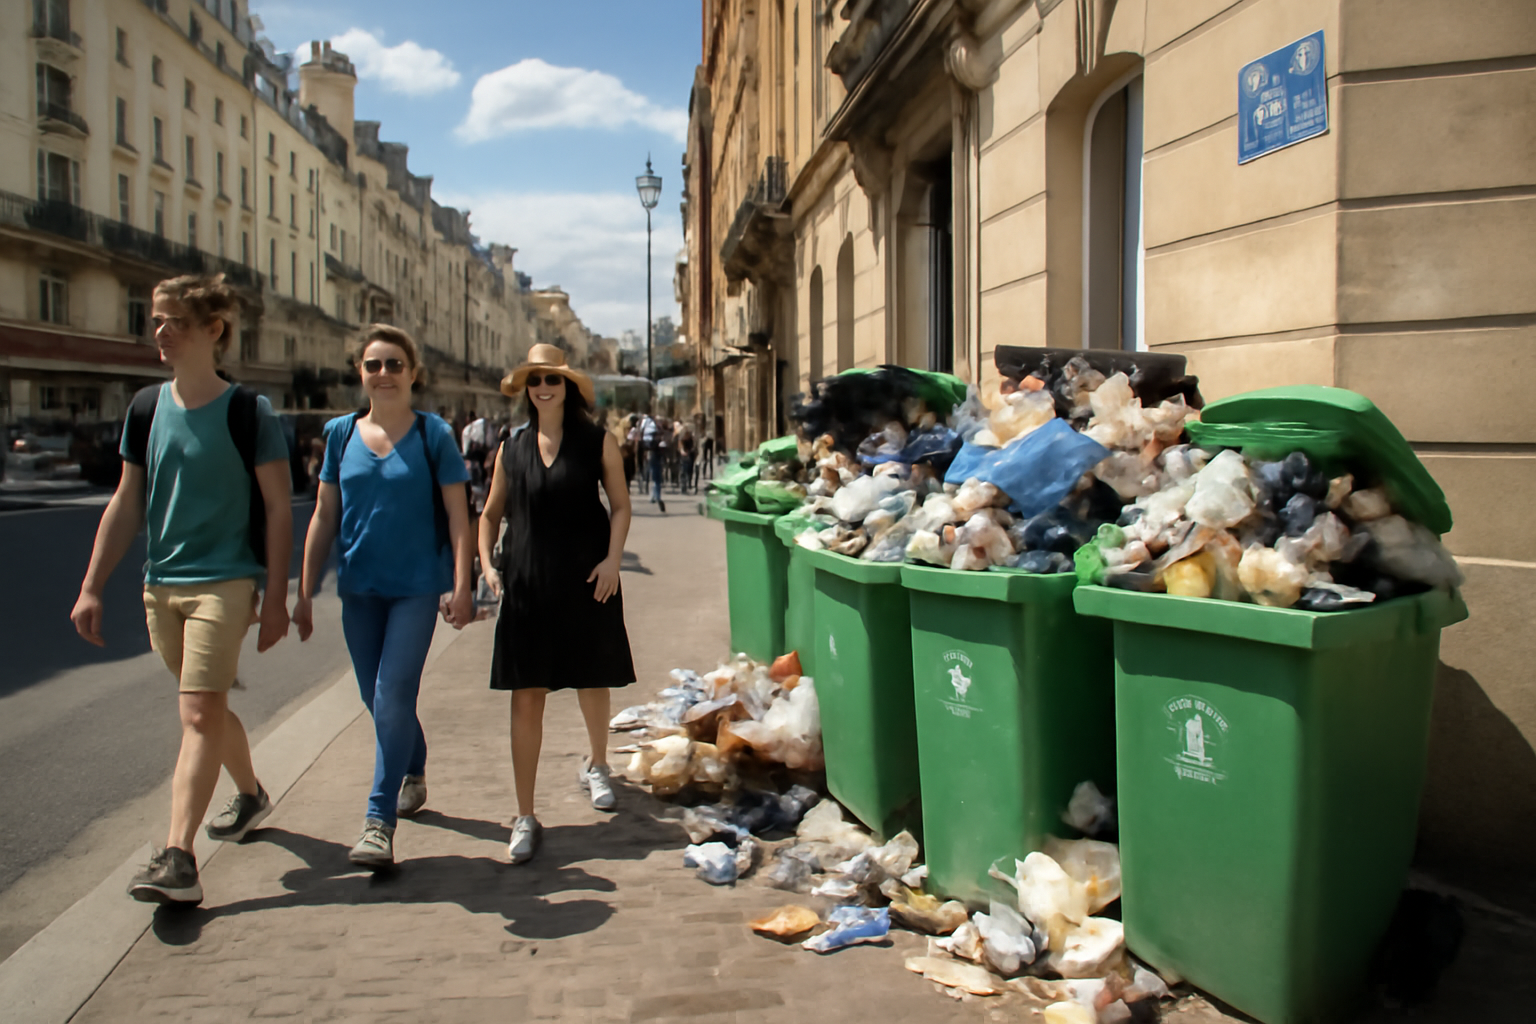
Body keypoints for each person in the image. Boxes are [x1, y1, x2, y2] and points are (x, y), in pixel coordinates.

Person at [70, 274, 292, 905]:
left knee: (196, 714)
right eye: (156, 320)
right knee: (209, 710)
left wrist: (274, 597)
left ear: (213, 330)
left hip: (224, 583)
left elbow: (279, 509)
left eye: (175, 321)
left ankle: (178, 859)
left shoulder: (251, 412)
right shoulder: (146, 408)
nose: (160, 332)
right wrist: (92, 586)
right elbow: (126, 500)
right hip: (159, 584)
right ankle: (250, 794)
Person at [293, 325, 475, 871]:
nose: (384, 374)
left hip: (416, 590)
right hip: (359, 589)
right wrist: (304, 591)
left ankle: (379, 823)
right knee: (376, 702)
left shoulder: (433, 434)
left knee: (392, 697)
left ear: (413, 372)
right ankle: (413, 767)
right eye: (373, 365)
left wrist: (463, 584)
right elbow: (324, 515)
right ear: (360, 372)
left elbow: (458, 517)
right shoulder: (339, 434)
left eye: (395, 364)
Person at [479, 344, 635, 864]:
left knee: (592, 678)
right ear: (526, 388)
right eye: (535, 379)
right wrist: (485, 565)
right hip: (526, 586)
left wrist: (614, 559)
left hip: (589, 578)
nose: (543, 386)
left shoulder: (597, 441)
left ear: (568, 387)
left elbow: (620, 505)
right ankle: (524, 814)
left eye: (552, 378)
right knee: (526, 696)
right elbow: (490, 515)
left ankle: (597, 764)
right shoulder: (511, 446)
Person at [640, 411, 667, 513]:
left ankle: (653, 496)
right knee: (656, 479)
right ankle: (657, 497)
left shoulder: (649, 433)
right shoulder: (656, 437)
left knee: (654, 478)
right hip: (655, 458)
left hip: (652, 457)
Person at [677, 424, 697, 494]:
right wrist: (683, 452)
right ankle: (684, 487)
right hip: (686, 457)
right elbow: (680, 447)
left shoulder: (690, 439)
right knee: (685, 472)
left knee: (687, 472)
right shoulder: (684, 439)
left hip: (688, 457)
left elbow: (693, 448)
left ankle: (686, 486)